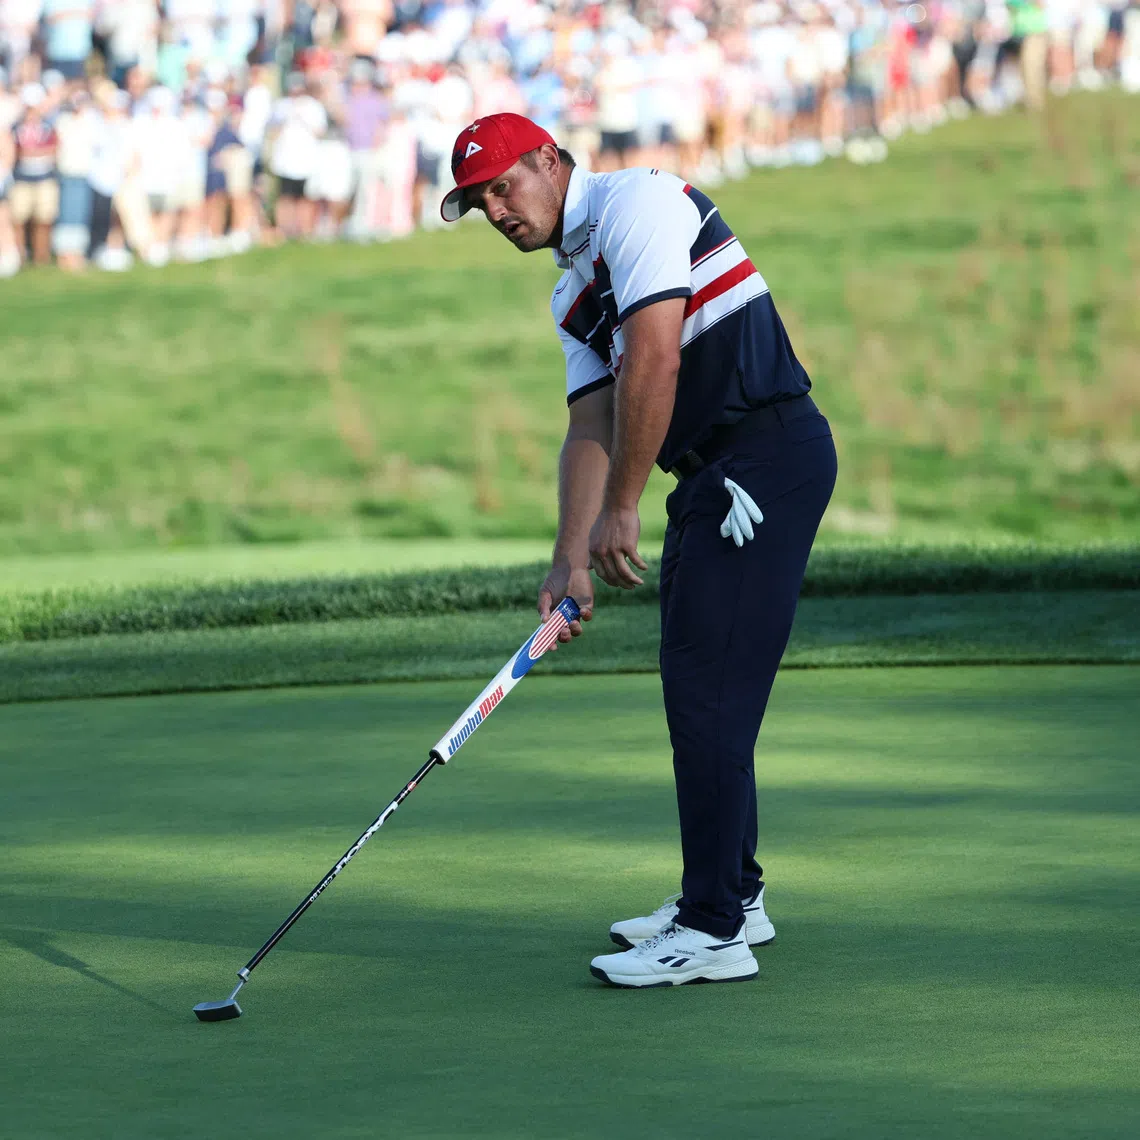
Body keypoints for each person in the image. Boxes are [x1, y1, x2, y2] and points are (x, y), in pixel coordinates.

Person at [440, 113, 837, 988]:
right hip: (711, 476)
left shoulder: (640, 204)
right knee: (701, 685)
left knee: (707, 692)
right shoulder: (569, 289)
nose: (496, 210)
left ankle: (712, 929)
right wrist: (568, 557)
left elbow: (653, 361)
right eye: (477, 203)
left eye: (504, 185)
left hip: (763, 454)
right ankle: (733, 892)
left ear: (551, 159)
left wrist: (623, 508)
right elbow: (593, 420)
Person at [9, 81, 58, 265]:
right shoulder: (16, 126)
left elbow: (54, 148)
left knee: (44, 219)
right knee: (19, 218)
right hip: (22, 179)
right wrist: (35, 152)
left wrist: (33, 152)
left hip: (45, 178)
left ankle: (41, 256)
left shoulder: (48, 126)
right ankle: (20, 255)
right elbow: (16, 151)